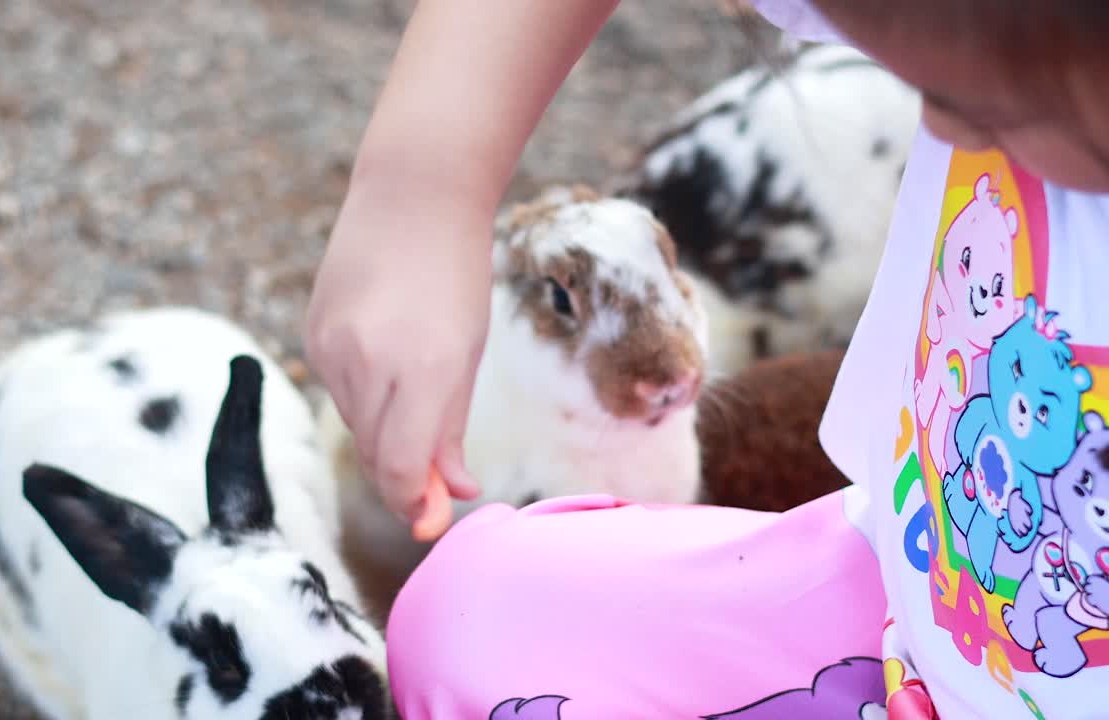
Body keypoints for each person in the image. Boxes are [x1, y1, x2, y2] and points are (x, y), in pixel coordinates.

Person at [303, 1, 1109, 717]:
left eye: (991, 107)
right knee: (466, 618)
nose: (943, 130)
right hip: (909, 595)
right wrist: (417, 193)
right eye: (929, 89)